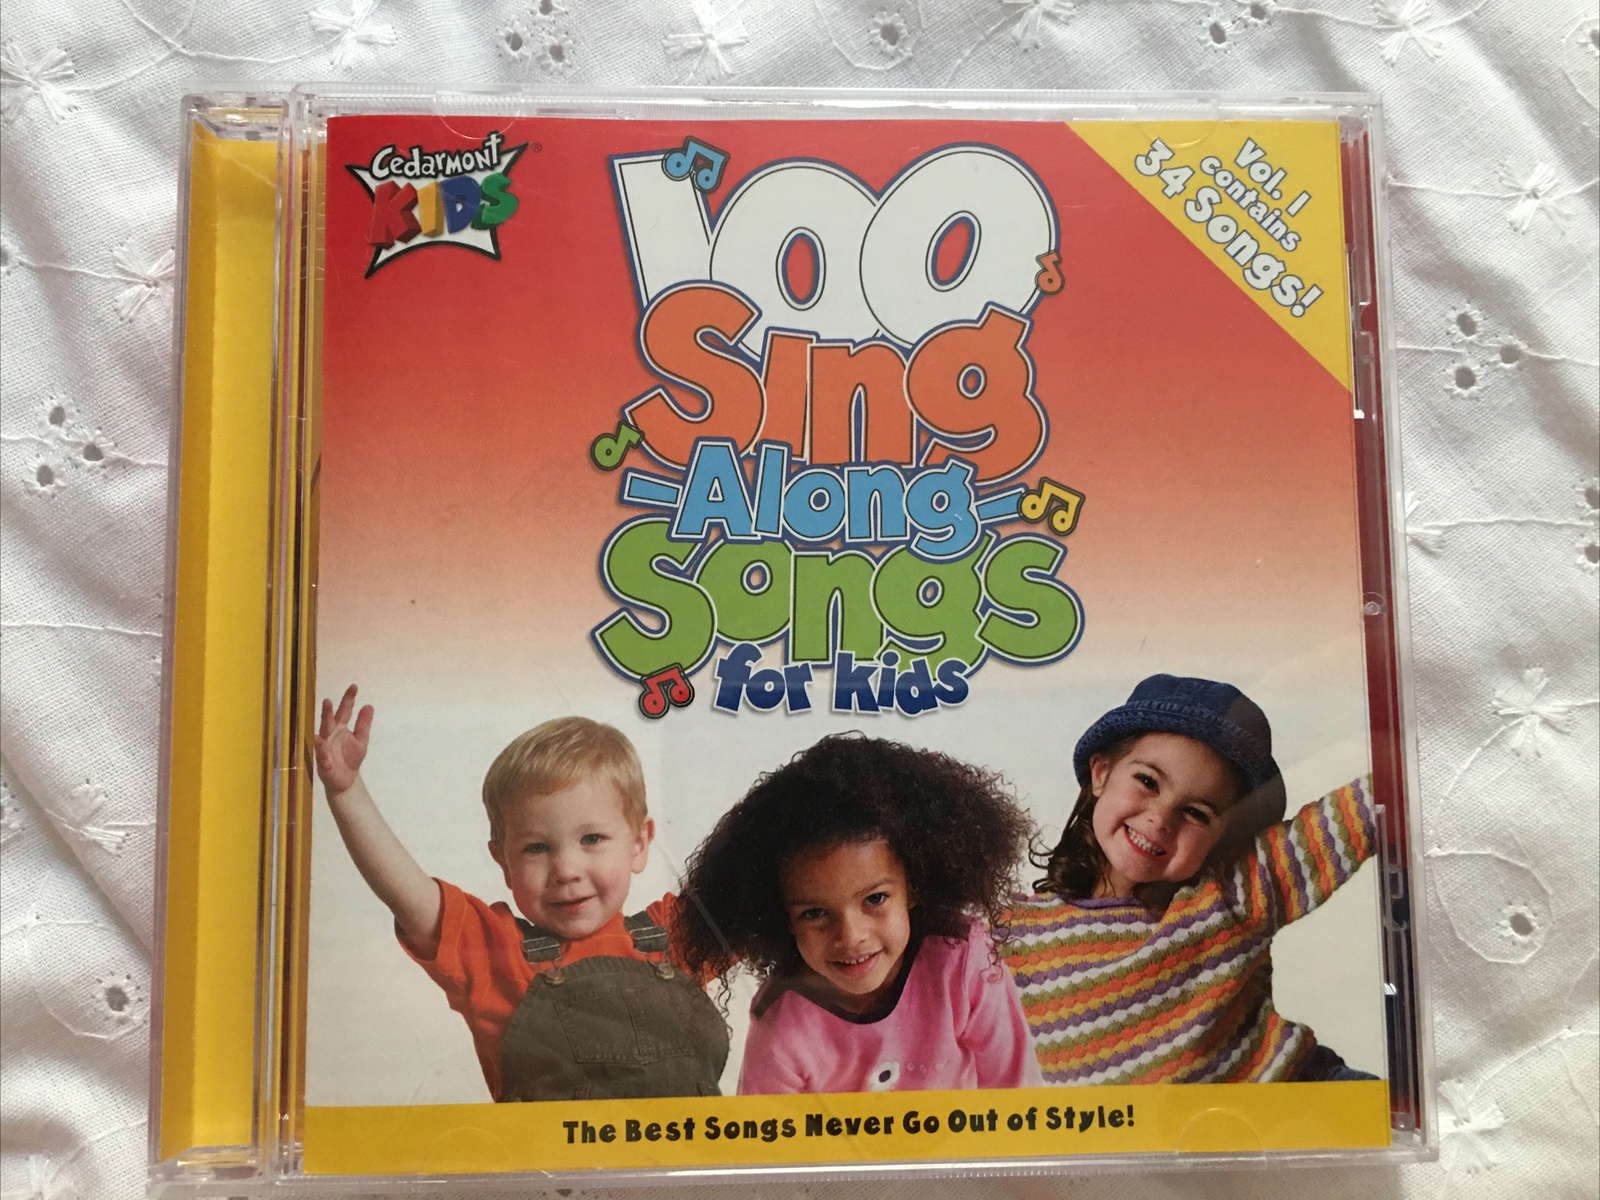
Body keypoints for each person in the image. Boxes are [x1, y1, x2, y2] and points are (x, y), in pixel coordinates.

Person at [313, 685, 728, 1102]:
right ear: (503, 862)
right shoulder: (496, 953)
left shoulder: (677, 935)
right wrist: (347, 793)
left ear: (639, 844)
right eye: (536, 848)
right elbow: (408, 894)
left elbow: (751, 868)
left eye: (592, 839)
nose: (566, 870)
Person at [998, 674, 1380, 1085]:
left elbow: (1361, 811)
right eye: (1148, 782)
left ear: (1224, 836)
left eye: (1196, 812)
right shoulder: (1013, 931)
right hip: (1157, 1127)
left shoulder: (1230, 893)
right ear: (1101, 773)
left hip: (1295, 1094)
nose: (1161, 819)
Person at [672, 732, 1044, 1095]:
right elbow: (766, 1135)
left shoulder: (961, 960)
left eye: (875, 899)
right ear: (782, 917)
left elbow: (1020, 1098)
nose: (850, 936)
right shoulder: (781, 1019)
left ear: (914, 885)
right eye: (815, 913)